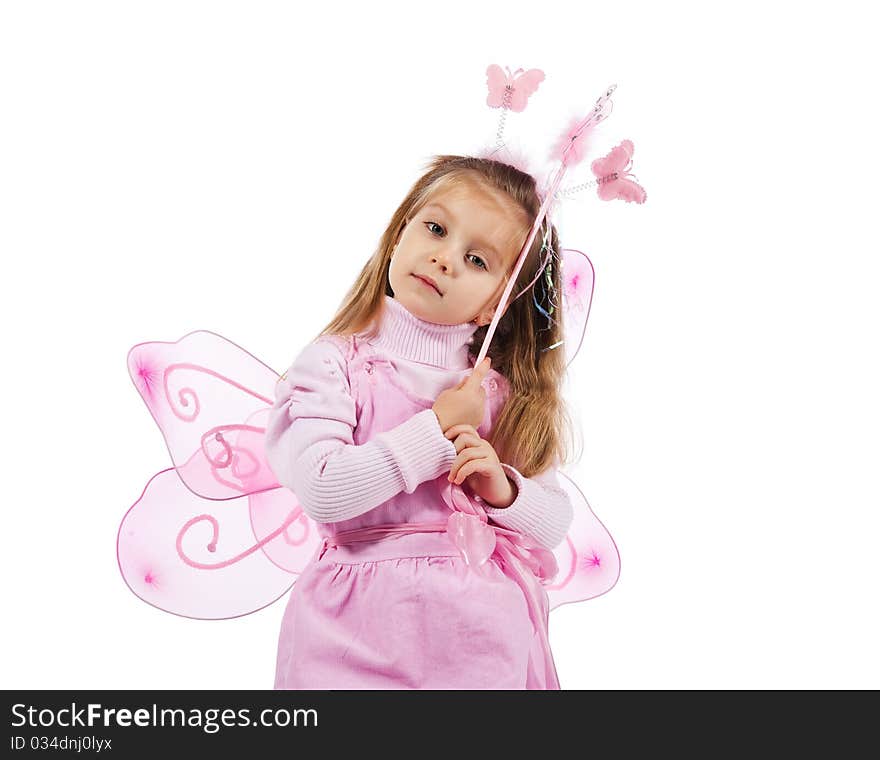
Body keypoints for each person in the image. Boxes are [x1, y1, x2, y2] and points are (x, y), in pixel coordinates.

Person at [264, 154, 577, 689]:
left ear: (494, 305)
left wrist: (502, 490)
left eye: (478, 261)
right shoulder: (335, 363)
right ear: (399, 231)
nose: (445, 259)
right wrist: (435, 431)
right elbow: (322, 489)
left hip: (479, 637)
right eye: (435, 228)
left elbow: (554, 523)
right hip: (352, 625)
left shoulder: (496, 392)